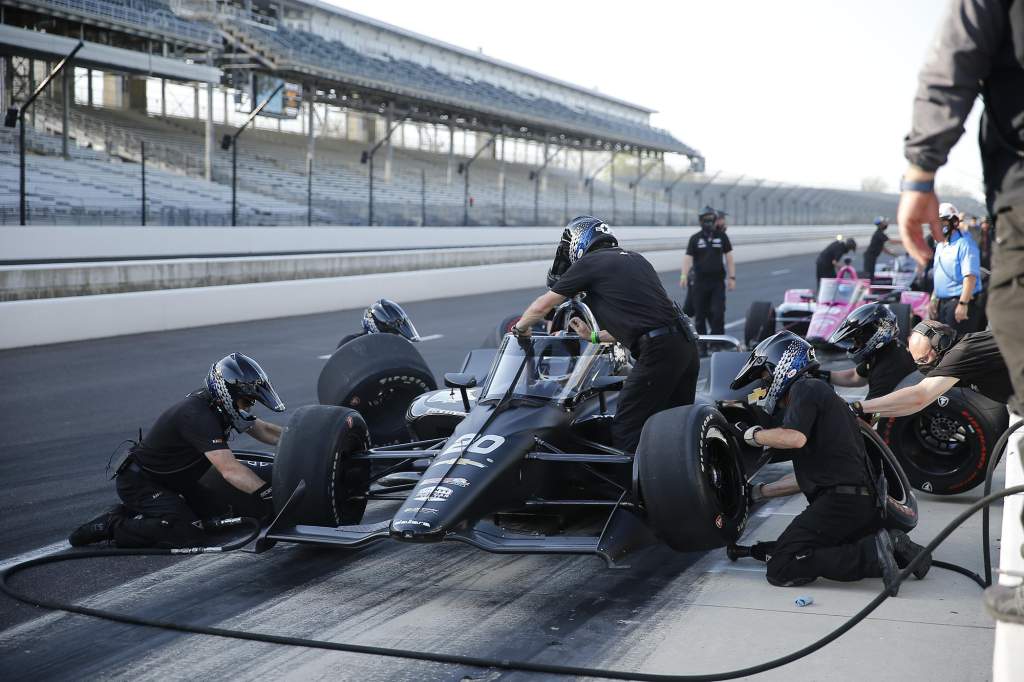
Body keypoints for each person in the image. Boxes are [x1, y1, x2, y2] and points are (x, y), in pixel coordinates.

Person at [727, 331, 930, 594]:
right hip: (859, 502)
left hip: (841, 504)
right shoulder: (825, 398)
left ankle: (871, 554)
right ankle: (902, 549)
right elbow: (811, 477)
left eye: (765, 376)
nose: (763, 385)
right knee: (809, 549)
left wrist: (750, 435)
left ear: (783, 366)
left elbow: (794, 439)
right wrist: (757, 492)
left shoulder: (805, 388)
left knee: (781, 568)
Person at [515, 215, 699, 453]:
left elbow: (543, 306)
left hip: (659, 351)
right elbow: (640, 321)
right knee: (675, 425)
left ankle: (633, 486)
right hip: (686, 344)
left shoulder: (589, 263)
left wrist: (521, 327)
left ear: (579, 242)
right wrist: (591, 337)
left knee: (627, 425)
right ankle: (681, 480)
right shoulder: (637, 259)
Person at [68, 353, 286, 549]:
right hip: (141, 482)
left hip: (177, 481)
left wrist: (303, 438)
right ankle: (112, 524)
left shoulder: (219, 406)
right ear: (227, 393)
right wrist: (270, 495)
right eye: (247, 401)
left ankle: (148, 510)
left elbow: (265, 430)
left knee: (222, 516)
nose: (249, 407)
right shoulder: (197, 416)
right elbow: (230, 470)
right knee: (187, 533)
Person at [856, 321, 1013, 418]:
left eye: (924, 359)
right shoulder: (966, 352)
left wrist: (858, 407)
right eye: (919, 362)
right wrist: (868, 412)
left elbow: (920, 397)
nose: (924, 367)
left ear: (942, 342)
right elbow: (914, 406)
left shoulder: (962, 353)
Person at [826, 303, 917, 400]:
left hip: (894, 413)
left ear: (875, 333)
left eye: (857, 339)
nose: (855, 344)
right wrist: (821, 374)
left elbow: (869, 411)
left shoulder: (888, 367)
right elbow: (855, 377)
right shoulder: (886, 350)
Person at [681, 205, 736, 334]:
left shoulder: (722, 236)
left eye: (711, 218)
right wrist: (683, 276)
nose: (708, 221)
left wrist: (732, 277)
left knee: (718, 312)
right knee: (700, 314)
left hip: (717, 282)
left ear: (715, 219)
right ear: (700, 221)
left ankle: (718, 342)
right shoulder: (695, 238)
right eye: (705, 219)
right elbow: (687, 258)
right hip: (699, 282)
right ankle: (702, 344)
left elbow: (729, 258)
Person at [930, 202, 983, 334]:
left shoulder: (965, 244)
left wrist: (963, 304)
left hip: (959, 302)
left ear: (953, 222)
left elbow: (970, 277)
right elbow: (939, 274)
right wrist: (934, 299)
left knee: (958, 347)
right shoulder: (941, 245)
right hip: (942, 303)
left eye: (941, 221)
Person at [337, 299, 421, 348]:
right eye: (391, 330)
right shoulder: (350, 343)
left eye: (396, 331)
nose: (395, 334)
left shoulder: (397, 347)